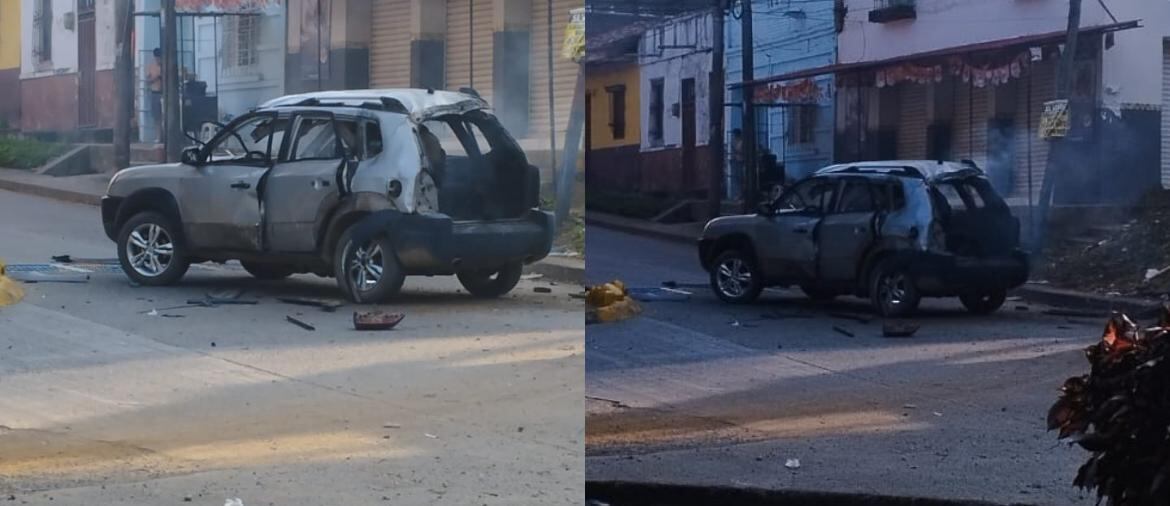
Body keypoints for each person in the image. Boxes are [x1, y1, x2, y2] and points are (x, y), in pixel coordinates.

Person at [147, 48, 163, 143]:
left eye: (159, 58)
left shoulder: (165, 66)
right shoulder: (151, 67)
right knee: (156, 117)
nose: (158, 60)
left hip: (164, 93)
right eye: (156, 58)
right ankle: (158, 136)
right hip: (155, 93)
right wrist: (156, 77)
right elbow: (148, 81)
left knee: (164, 116)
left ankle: (164, 135)